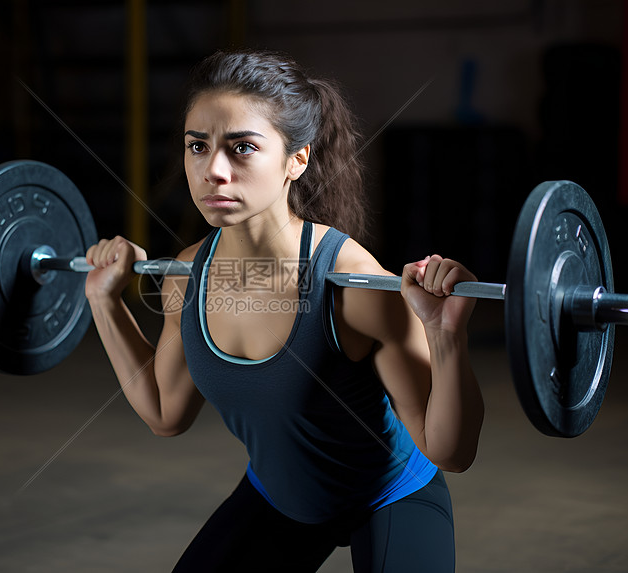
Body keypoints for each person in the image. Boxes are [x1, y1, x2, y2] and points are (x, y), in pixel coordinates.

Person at [84, 49, 484, 572]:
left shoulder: (354, 284)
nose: (213, 171)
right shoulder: (188, 275)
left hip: (390, 495)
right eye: (197, 147)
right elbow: (165, 412)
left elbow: (449, 451)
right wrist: (103, 300)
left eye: (242, 148)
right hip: (281, 496)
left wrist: (444, 333)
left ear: (296, 159)